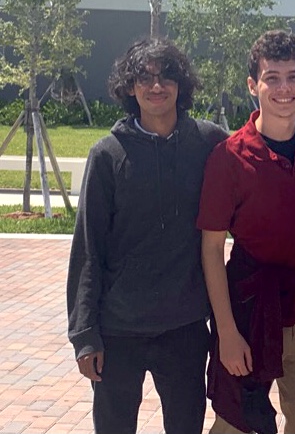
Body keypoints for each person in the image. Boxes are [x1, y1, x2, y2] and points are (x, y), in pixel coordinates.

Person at [67, 37, 229, 434]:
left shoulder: (209, 143)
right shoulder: (107, 155)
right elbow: (88, 247)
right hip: (118, 329)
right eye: (145, 77)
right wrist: (84, 335)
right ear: (130, 86)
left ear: (181, 84)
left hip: (185, 327)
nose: (156, 86)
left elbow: (261, 143)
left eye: (166, 76)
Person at [197, 30, 295, 434]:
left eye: (293, 77)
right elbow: (212, 248)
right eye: (272, 77)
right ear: (253, 85)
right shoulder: (229, 157)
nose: (283, 88)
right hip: (248, 313)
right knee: (235, 426)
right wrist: (227, 333)